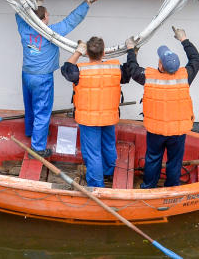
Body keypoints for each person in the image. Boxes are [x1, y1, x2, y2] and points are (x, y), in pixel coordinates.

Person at [16, 0, 100, 157]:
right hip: (42, 78)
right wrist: (87, 2)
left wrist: (32, 4)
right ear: (44, 18)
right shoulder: (51, 33)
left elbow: (18, 14)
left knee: (30, 106)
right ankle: (38, 148)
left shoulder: (24, 29)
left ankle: (30, 131)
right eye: (47, 14)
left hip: (27, 75)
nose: (49, 16)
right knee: (42, 110)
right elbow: (71, 21)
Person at [61, 36, 143, 187]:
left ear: (87, 53)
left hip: (88, 120)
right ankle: (108, 172)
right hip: (109, 117)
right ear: (104, 52)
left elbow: (65, 69)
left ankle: (97, 186)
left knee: (93, 154)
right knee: (108, 145)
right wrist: (132, 51)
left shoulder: (79, 71)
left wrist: (78, 52)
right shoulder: (115, 69)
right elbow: (130, 70)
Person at [132, 26, 199, 189]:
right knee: (174, 161)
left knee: (153, 158)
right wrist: (184, 39)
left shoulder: (148, 76)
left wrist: (132, 51)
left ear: (161, 66)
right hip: (177, 132)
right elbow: (195, 59)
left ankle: (149, 187)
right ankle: (172, 187)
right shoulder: (185, 76)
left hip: (156, 132)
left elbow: (132, 70)